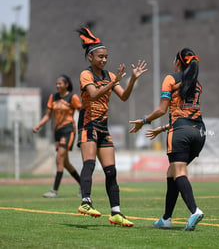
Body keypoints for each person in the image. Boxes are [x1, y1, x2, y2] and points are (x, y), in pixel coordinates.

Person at [76, 26, 148, 227]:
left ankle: (116, 212)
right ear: (90, 57)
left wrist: (132, 79)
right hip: (88, 125)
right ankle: (85, 202)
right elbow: (92, 95)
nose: (104, 60)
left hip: (103, 127)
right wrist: (114, 81)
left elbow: (124, 97)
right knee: (89, 164)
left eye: (106, 57)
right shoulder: (86, 75)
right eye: (100, 57)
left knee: (111, 171)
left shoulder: (108, 76)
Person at [129, 47, 205, 231]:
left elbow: (163, 110)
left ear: (177, 62)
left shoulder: (171, 79)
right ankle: (166, 218)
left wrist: (144, 121)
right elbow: (187, 115)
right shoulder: (197, 84)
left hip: (180, 132)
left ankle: (194, 210)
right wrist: (161, 129)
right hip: (200, 132)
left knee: (178, 171)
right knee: (172, 173)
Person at [33, 75, 82, 198]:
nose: (57, 85)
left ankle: (54, 190)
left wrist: (86, 126)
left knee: (59, 158)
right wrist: (39, 125)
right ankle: (83, 185)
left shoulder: (72, 97)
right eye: (57, 83)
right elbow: (48, 115)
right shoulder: (53, 97)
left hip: (68, 130)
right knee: (65, 163)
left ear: (66, 85)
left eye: (60, 83)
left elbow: (82, 112)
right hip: (57, 132)